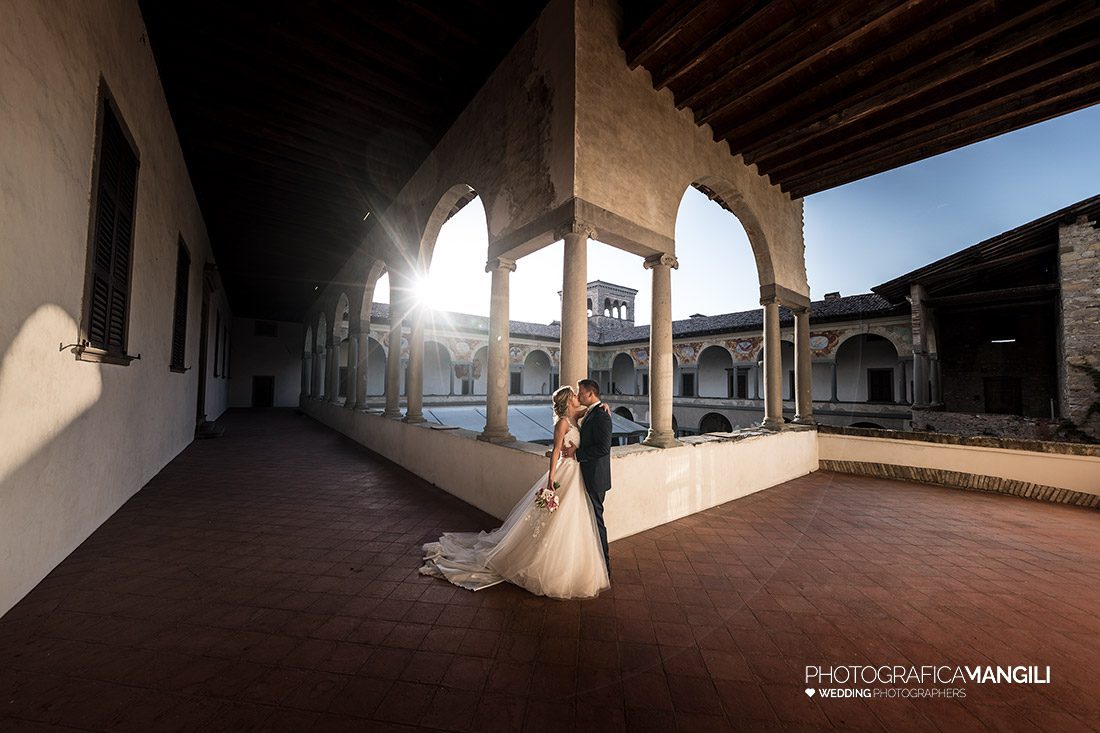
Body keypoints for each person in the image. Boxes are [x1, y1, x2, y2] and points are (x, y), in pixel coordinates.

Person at [419, 385, 610, 599]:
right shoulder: (563, 423)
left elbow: (593, 410)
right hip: (565, 473)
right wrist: (550, 480)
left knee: (574, 519)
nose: (578, 396)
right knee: (557, 519)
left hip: (577, 474)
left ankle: (573, 563)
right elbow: (556, 451)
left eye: (579, 394)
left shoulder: (578, 416)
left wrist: (603, 405)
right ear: (568, 401)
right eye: (575, 395)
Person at [561, 378, 612, 576]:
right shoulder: (592, 412)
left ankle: (605, 567)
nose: (578, 395)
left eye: (580, 392)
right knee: (589, 520)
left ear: (590, 394)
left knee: (597, 521)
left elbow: (603, 448)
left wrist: (577, 454)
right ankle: (593, 564)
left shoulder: (601, 416)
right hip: (587, 474)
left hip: (596, 477)